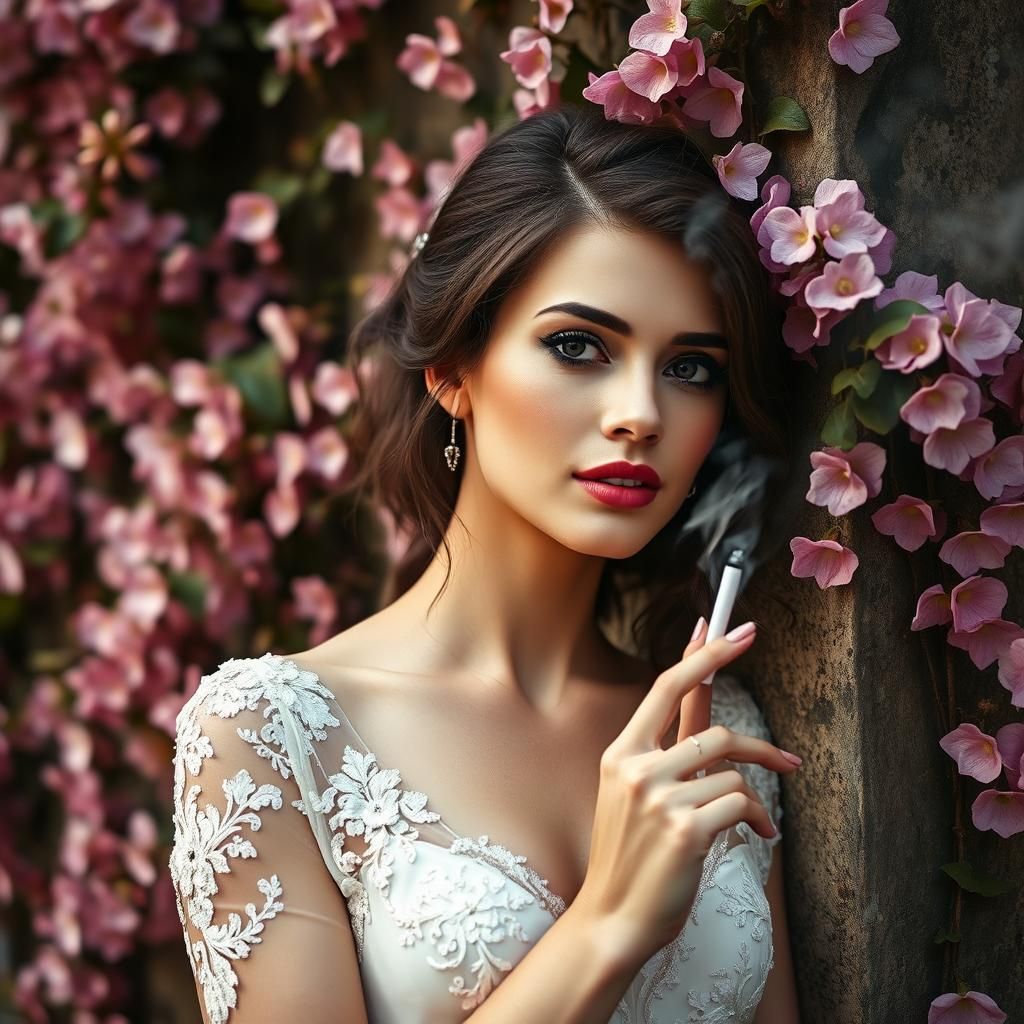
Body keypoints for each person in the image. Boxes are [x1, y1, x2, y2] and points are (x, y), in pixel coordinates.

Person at [168, 102, 803, 1024]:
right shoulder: (265, 737)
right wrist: (607, 929)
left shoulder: (713, 725)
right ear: (453, 368)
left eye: (692, 367)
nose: (641, 414)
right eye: (578, 346)